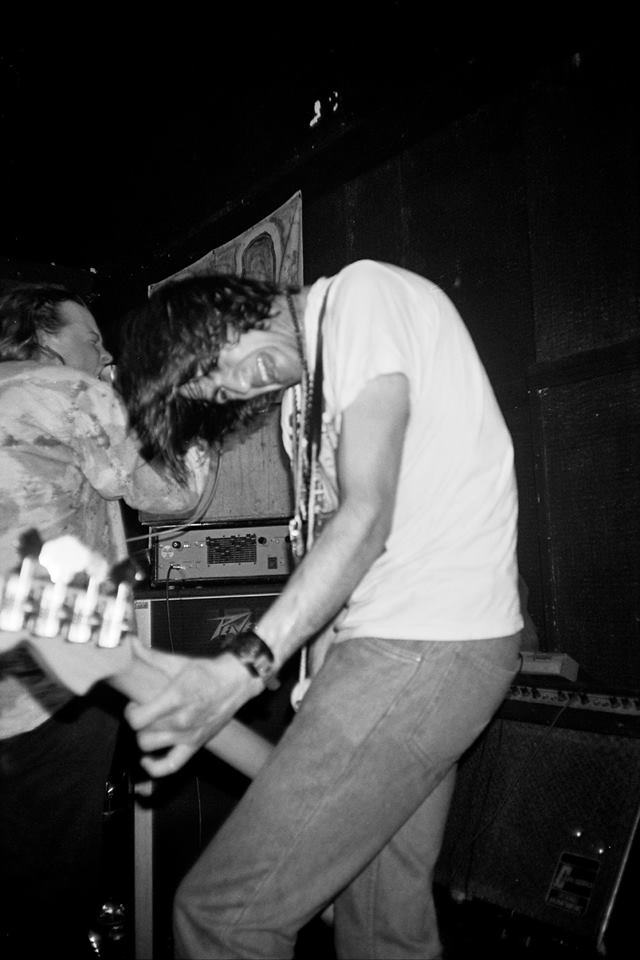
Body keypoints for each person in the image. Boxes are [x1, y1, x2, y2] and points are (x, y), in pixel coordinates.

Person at [116, 260, 524, 960]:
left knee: (221, 918)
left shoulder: (363, 296)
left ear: (217, 313)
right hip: (412, 652)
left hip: (423, 643)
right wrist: (314, 684)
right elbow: (336, 559)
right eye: (218, 392)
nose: (238, 385)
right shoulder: (300, 404)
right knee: (380, 924)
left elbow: (367, 517)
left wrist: (243, 670)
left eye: (214, 365)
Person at [0, 281, 210, 959]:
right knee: (51, 886)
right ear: (42, 335)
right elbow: (172, 494)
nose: (104, 353)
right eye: (90, 339)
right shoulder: (71, 391)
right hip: (51, 675)